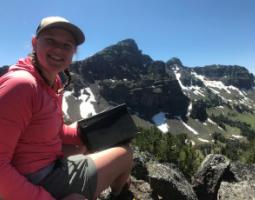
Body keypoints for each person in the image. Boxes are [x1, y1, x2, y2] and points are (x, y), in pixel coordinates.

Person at [0, 16, 133, 200]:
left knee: (91, 141)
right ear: (34, 43)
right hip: (35, 179)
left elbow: (48, 128)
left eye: (67, 45)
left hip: (43, 163)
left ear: (73, 54)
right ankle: (120, 195)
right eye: (51, 41)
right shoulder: (21, 85)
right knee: (125, 154)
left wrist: (84, 135)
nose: (58, 50)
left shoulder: (52, 81)